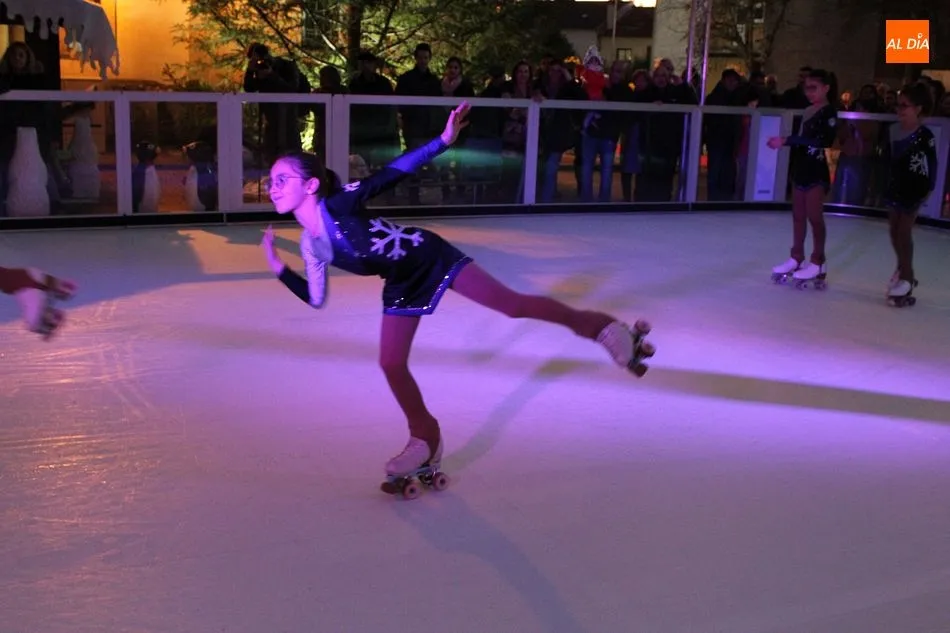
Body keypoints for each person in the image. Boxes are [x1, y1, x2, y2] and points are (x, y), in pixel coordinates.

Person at [259, 102, 651, 483]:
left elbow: (392, 173)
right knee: (391, 364)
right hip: (400, 282)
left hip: (428, 255)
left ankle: (604, 329)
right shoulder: (311, 245)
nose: (272, 188)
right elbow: (316, 298)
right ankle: (425, 439)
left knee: (512, 305)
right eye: (270, 181)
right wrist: (280, 268)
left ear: (311, 185)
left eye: (281, 180)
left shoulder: (339, 204)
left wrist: (443, 141)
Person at [766, 69, 838, 286]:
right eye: (807, 88)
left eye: (814, 88)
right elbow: (803, 139)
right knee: (798, 215)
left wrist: (786, 140)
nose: (809, 92)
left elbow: (822, 141)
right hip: (802, 167)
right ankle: (796, 257)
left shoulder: (829, 112)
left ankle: (818, 261)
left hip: (817, 169)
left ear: (826, 88)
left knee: (814, 216)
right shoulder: (807, 111)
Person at [881, 82, 938, 305]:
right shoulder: (893, 131)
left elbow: (932, 164)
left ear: (918, 108)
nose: (899, 110)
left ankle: (907, 275)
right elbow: (887, 160)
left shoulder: (925, 135)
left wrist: (929, 188)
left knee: (904, 232)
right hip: (895, 186)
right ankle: (903, 268)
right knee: (894, 231)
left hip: (915, 188)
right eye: (898, 105)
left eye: (905, 105)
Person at [0, 267, 76, 337]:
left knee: (33, 323)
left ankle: (50, 318)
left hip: (25, 285)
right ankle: (50, 317)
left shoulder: (30, 290)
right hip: (24, 281)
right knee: (33, 322)